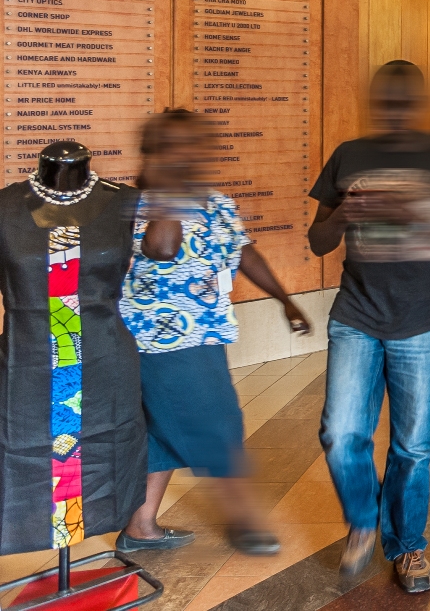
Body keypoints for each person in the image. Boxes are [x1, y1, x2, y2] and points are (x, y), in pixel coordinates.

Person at [308, 61, 430, 593]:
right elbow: (318, 241)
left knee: (412, 447)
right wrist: (346, 213)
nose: (394, 111)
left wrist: (416, 211)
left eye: (403, 102)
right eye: (385, 102)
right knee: (341, 434)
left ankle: (408, 545)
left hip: (423, 320)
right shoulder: (349, 155)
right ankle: (364, 519)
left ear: (419, 105)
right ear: (374, 103)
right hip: (357, 314)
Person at [116, 110, 311, 557]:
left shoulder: (215, 201)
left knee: (162, 431)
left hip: (204, 334)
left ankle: (140, 527)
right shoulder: (138, 203)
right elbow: (162, 247)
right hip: (161, 342)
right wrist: (165, 185)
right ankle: (245, 523)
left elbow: (244, 253)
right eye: (180, 145)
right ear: (159, 152)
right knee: (219, 426)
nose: (193, 152)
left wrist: (286, 300)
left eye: (196, 143)